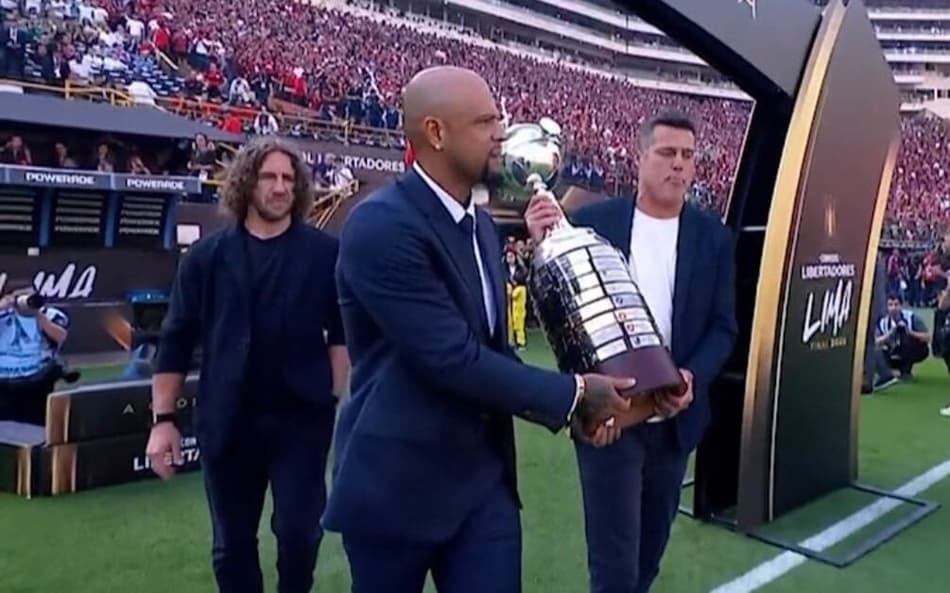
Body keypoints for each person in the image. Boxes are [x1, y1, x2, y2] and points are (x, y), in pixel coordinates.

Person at [322, 65, 654, 593]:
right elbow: (451, 358)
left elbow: (492, 349)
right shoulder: (380, 224)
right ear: (435, 132)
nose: (502, 133)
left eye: (499, 119)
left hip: (483, 483)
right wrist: (573, 395)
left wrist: (578, 408)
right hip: (396, 483)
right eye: (485, 122)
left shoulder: (479, 225)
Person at [526, 111, 737, 593]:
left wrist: (692, 376)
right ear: (640, 158)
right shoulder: (593, 222)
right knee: (614, 571)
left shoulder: (713, 237)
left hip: (674, 423)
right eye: (667, 153)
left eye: (687, 155)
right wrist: (543, 247)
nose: (679, 164)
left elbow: (723, 327)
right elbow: (560, 313)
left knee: (646, 562)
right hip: (611, 421)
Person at [145, 136, 350, 593]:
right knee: (232, 545)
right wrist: (163, 421)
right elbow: (175, 341)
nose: (280, 187)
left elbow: (341, 330)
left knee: (300, 533)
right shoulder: (206, 258)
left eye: (288, 178)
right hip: (227, 419)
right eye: (268, 177)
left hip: (301, 420)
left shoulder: (324, 253)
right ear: (245, 183)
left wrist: (333, 392)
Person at [0, 279, 71, 425]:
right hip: (4, 383)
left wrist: (38, 315)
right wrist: (3, 306)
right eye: (22, 296)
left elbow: (60, 336)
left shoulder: (49, 314)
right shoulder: (3, 315)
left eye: (31, 295)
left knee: (38, 425)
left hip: (38, 381)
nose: (28, 300)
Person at [875, 293, 929, 380]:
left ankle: (905, 371)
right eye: (890, 305)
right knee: (877, 351)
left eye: (896, 304)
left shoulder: (911, 318)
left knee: (914, 344)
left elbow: (927, 337)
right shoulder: (882, 322)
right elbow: (876, 341)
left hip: (908, 350)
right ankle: (887, 373)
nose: (893, 308)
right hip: (890, 351)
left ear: (901, 305)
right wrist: (889, 334)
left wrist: (910, 332)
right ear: (886, 307)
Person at [504, 250, 528, 350]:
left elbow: (523, 277)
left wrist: (515, 282)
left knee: (519, 317)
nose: (509, 259)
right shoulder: (504, 269)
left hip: (519, 291)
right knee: (509, 318)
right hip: (508, 293)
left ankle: (521, 341)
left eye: (511, 256)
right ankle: (510, 341)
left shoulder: (521, 268)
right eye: (508, 257)